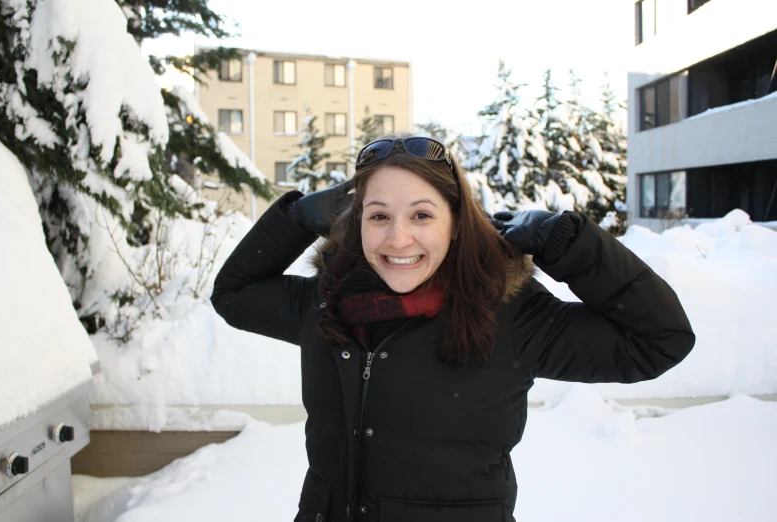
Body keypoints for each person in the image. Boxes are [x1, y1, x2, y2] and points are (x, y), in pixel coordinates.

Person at [211, 135, 695, 522]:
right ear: (355, 224)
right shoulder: (328, 304)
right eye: (378, 216)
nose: (398, 238)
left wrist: (567, 242)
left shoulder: (508, 314)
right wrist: (295, 218)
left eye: (422, 214)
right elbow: (233, 295)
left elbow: (658, 341)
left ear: (457, 223)